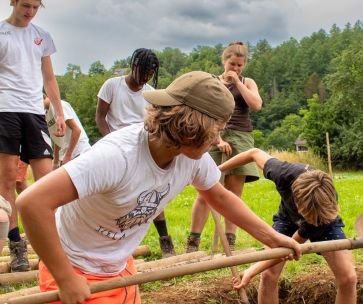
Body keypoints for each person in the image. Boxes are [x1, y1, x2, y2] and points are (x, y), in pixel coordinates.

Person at [17, 71, 302, 304]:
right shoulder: (116, 157)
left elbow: (219, 196)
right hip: (74, 267)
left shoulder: (192, 159)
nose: (218, 139)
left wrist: (272, 238)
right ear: (195, 126)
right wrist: (66, 278)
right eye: (218, 129)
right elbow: (32, 203)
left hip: (119, 266)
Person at [226, 148, 357, 304]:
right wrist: (217, 171)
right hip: (287, 218)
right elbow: (254, 153)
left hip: (325, 224)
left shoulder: (325, 207)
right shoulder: (282, 173)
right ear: (297, 199)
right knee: (268, 275)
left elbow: (293, 246)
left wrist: (252, 270)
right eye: (307, 214)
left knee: (348, 278)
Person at [0, 0, 65, 272]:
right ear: (13, 1)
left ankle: (57, 242)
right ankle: (17, 248)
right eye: (26, 6)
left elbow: (49, 79)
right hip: (5, 109)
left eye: (35, 8)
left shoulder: (42, 37)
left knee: (48, 179)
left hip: (35, 112)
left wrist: (59, 114)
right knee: (7, 180)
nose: (30, 12)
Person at [95, 48, 175, 258]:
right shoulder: (112, 85)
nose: (146, 78)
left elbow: (153, 122)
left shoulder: (149, 92)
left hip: (142, 145)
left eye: (150, 74)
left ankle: (165, 240)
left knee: (152, 191)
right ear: (134, 66)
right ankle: (114, 241)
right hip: (116, 145)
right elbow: (101, 117)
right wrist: (110, 139)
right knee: (119, 194)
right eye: (144, 72)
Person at [186, 41, 262, 252]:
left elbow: (256, 105)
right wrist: (217, 139)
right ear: (224, 61)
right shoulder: (213, 82)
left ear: (243, 65)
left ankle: (230, 242)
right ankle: (193, 243)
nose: (235, 68)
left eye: (239, 65)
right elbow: (206, 111)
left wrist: (237, 82)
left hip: (241, 137)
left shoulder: (247, 82)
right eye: (232, 64)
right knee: (205, 191)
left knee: (234, 194)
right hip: (214, 134)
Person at [44, 96, 91, 168]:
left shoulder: (59, 106)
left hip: (79, 152)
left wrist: (68, 156)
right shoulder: (45, 114)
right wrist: (56, 162)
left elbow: (76, 130)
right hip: (66, 156)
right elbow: (57, 139)